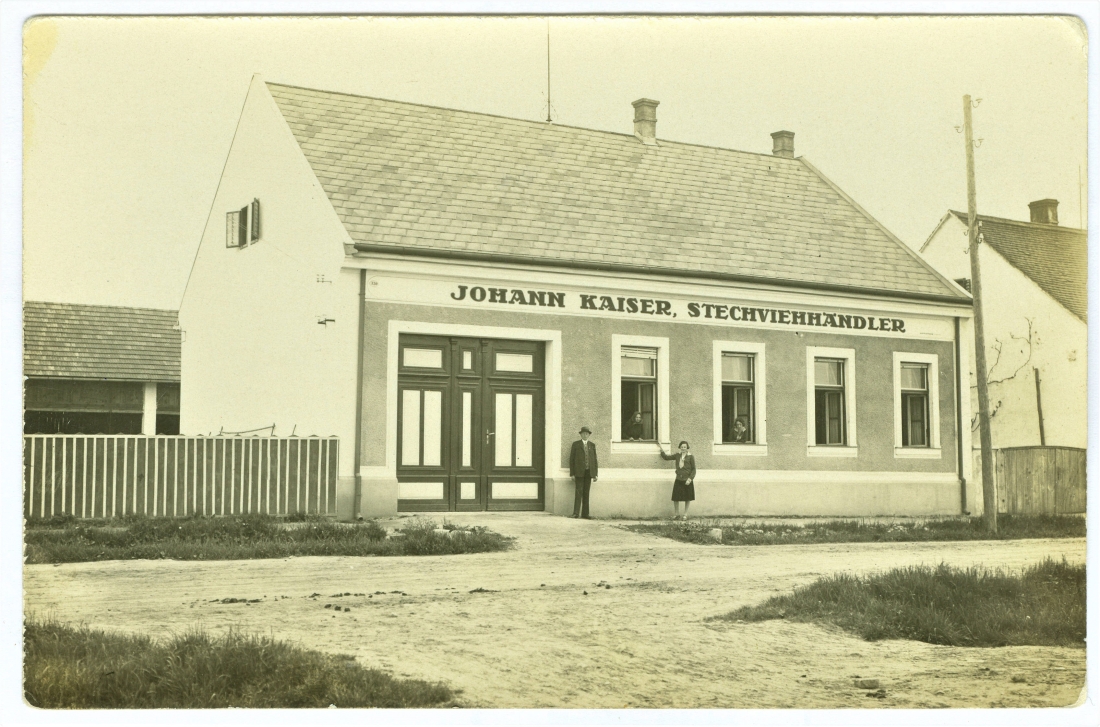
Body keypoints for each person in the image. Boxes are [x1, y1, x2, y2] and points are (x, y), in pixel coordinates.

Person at [659, 440, 696, 520]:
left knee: (687, 498)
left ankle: (685, 514)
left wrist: (690, 479)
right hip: (679, 479)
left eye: (685, 447)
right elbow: (666, 457)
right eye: (682, 447)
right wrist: (662, 452)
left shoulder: (690, 457)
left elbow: (693, 470)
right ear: (680, 447)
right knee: (676, 498)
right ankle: (676, 514)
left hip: (687, 480)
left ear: (687, 448)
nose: (683, 448)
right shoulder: (677, 456)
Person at [569, 426, 598, 519]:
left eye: (587, 433)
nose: (585, 435)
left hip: (589, 472)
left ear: (589, 435)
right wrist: (572, 473)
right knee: (578, 492)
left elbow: (595, 460)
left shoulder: (592, 445)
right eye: (583, 433)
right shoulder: (576, 444)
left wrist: (595, 474)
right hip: (579, 472)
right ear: (580, 434)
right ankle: (576, 513)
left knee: (586, 493)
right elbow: (571, 460)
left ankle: (585, 514)